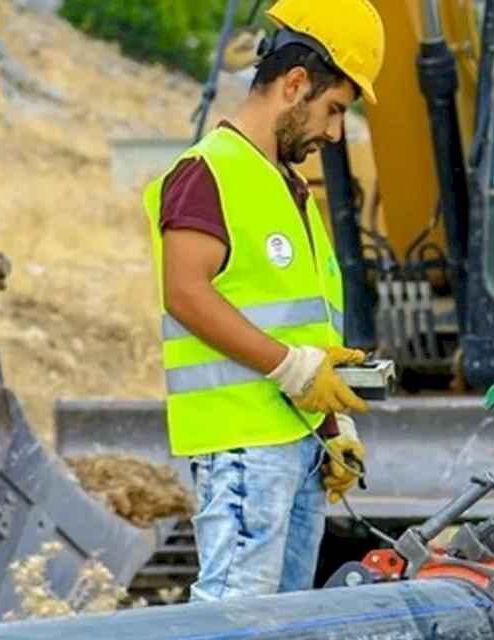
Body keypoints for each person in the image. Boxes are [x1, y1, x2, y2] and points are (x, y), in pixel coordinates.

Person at [140, 0, 385, 602]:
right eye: (333, 112)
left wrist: (333, 427)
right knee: (233, 614)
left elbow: (303, 327)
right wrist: (292, 368)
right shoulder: (208, 174)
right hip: (245, 447)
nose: (333, 133)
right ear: (295, 84)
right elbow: (185, 290)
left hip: (294, 441)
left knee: (284, 618)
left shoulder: (285, 187)